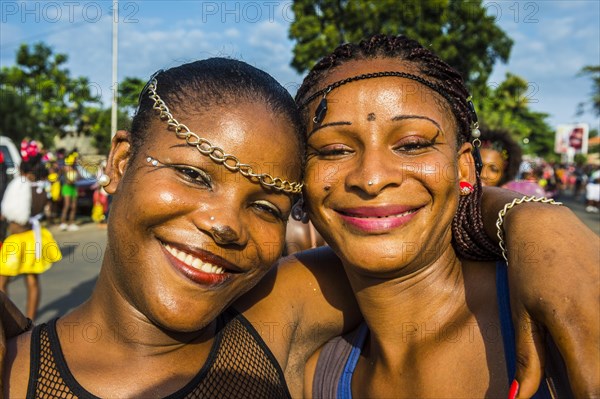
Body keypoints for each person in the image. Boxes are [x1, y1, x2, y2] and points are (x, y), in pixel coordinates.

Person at [1, 58, 598, 398]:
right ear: (119, 163)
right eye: (192, 173)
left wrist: (540, 224)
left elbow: (414, 239)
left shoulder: (279, 315)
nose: (224, 224)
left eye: (266, 205)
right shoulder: (14, 364)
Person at [293, 34, 599, 398]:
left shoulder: (566, 308)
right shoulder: (312, 376)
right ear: (299, 180)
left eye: (412, 145)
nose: (372, 178)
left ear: (464, 169)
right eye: (334, 150)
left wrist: (540, 220)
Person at [0, 144, 62, 321]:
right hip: (32, 238)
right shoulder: (39, 187)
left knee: (2, 280)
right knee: (31, 280)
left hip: (18, 239)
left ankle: (9, 320)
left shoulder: (21, 186)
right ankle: (29, 321)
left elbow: (12, 214)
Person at [58, 149, 80, 231]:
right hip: (66, 187)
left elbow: (78, 177)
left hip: (73, 187)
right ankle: (63, 223)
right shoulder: (66, 167)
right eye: (75, 158)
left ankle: (71, 223)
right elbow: (65, 178)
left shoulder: (75, 167)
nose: (76, 160)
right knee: (67, 205)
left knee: (74, 206)